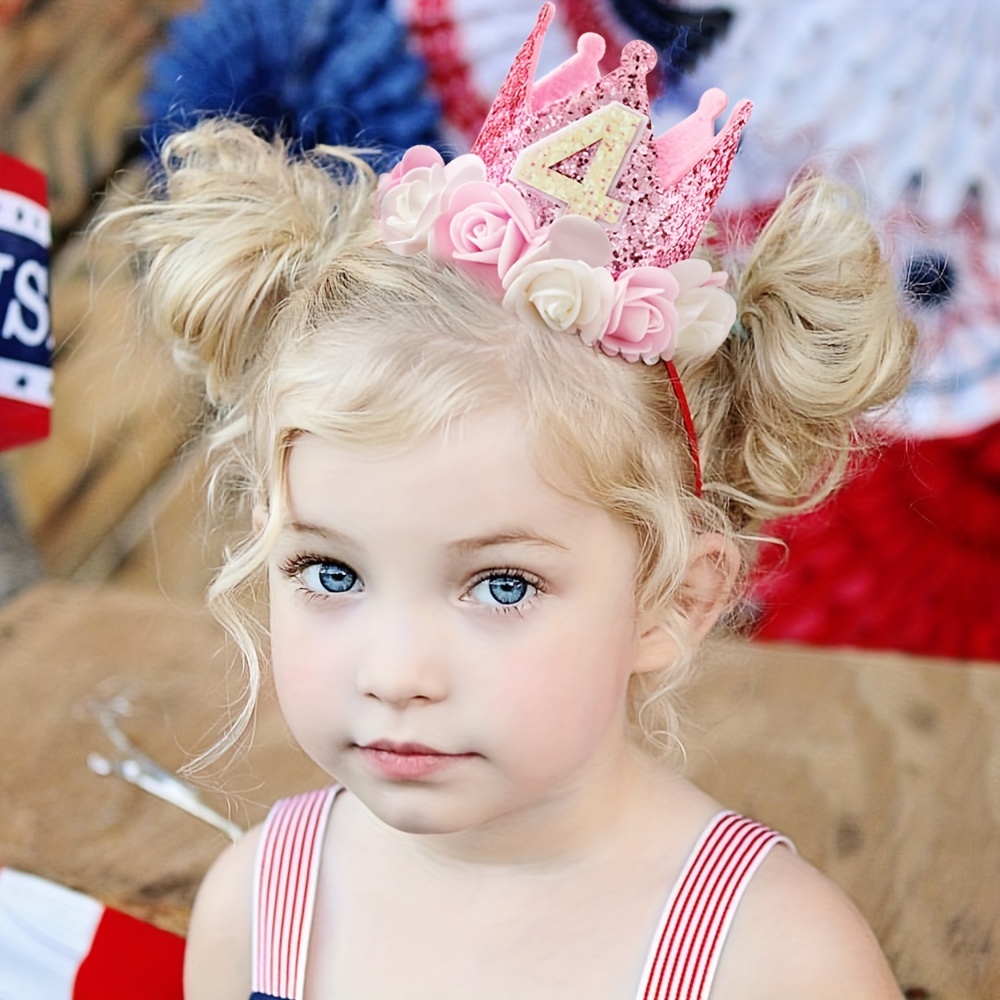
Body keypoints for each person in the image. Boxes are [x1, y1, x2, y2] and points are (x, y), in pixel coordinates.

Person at [106, 6, 913, 997]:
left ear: (676, 598)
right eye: (330, 570)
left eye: (500, 585)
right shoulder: (263, 910)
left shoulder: (776, 964)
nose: (396, 672)